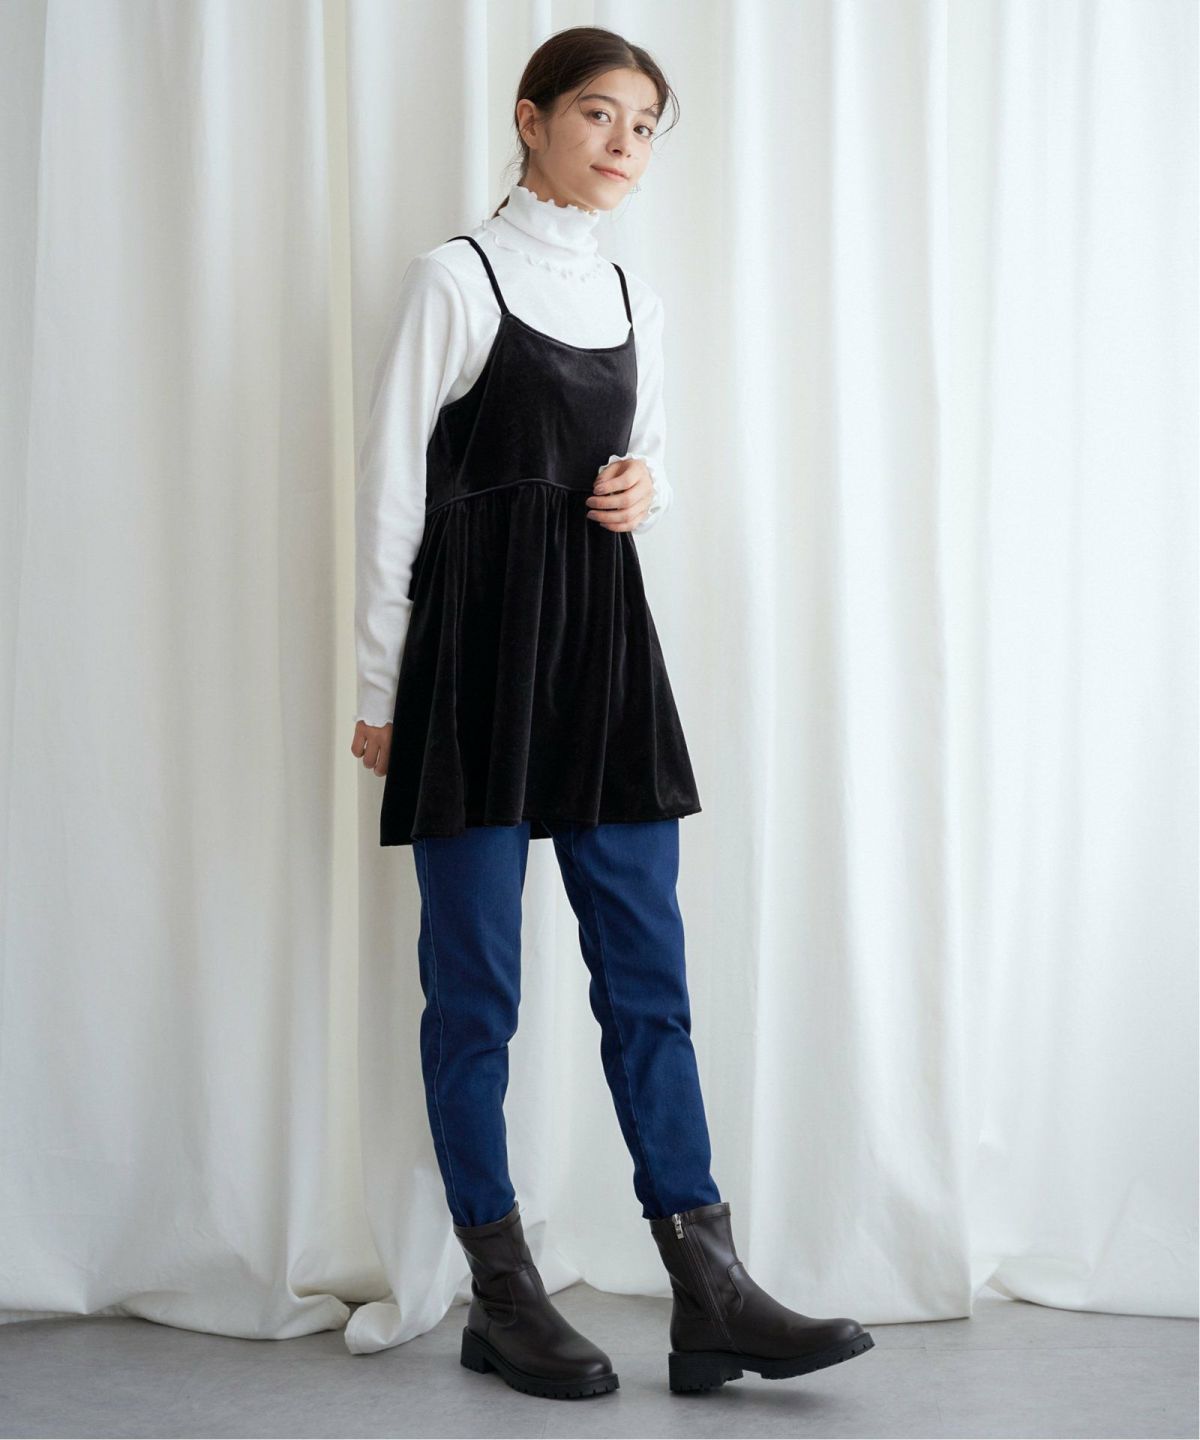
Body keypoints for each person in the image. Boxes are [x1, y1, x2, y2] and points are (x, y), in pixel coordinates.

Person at [350, 23, 873, 1401]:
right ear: (531, 119)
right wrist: (379, 689)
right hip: (474, 659)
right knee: (476, 991)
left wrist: (653, 488)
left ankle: (711, 1288)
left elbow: (647, 457)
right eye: (598, 113)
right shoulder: (455, 278)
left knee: (650, 976)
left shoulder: (630, 287)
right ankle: (502, 1293)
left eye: (645, 124)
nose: (625, 142)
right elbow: (391, 492)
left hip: (603, 654)